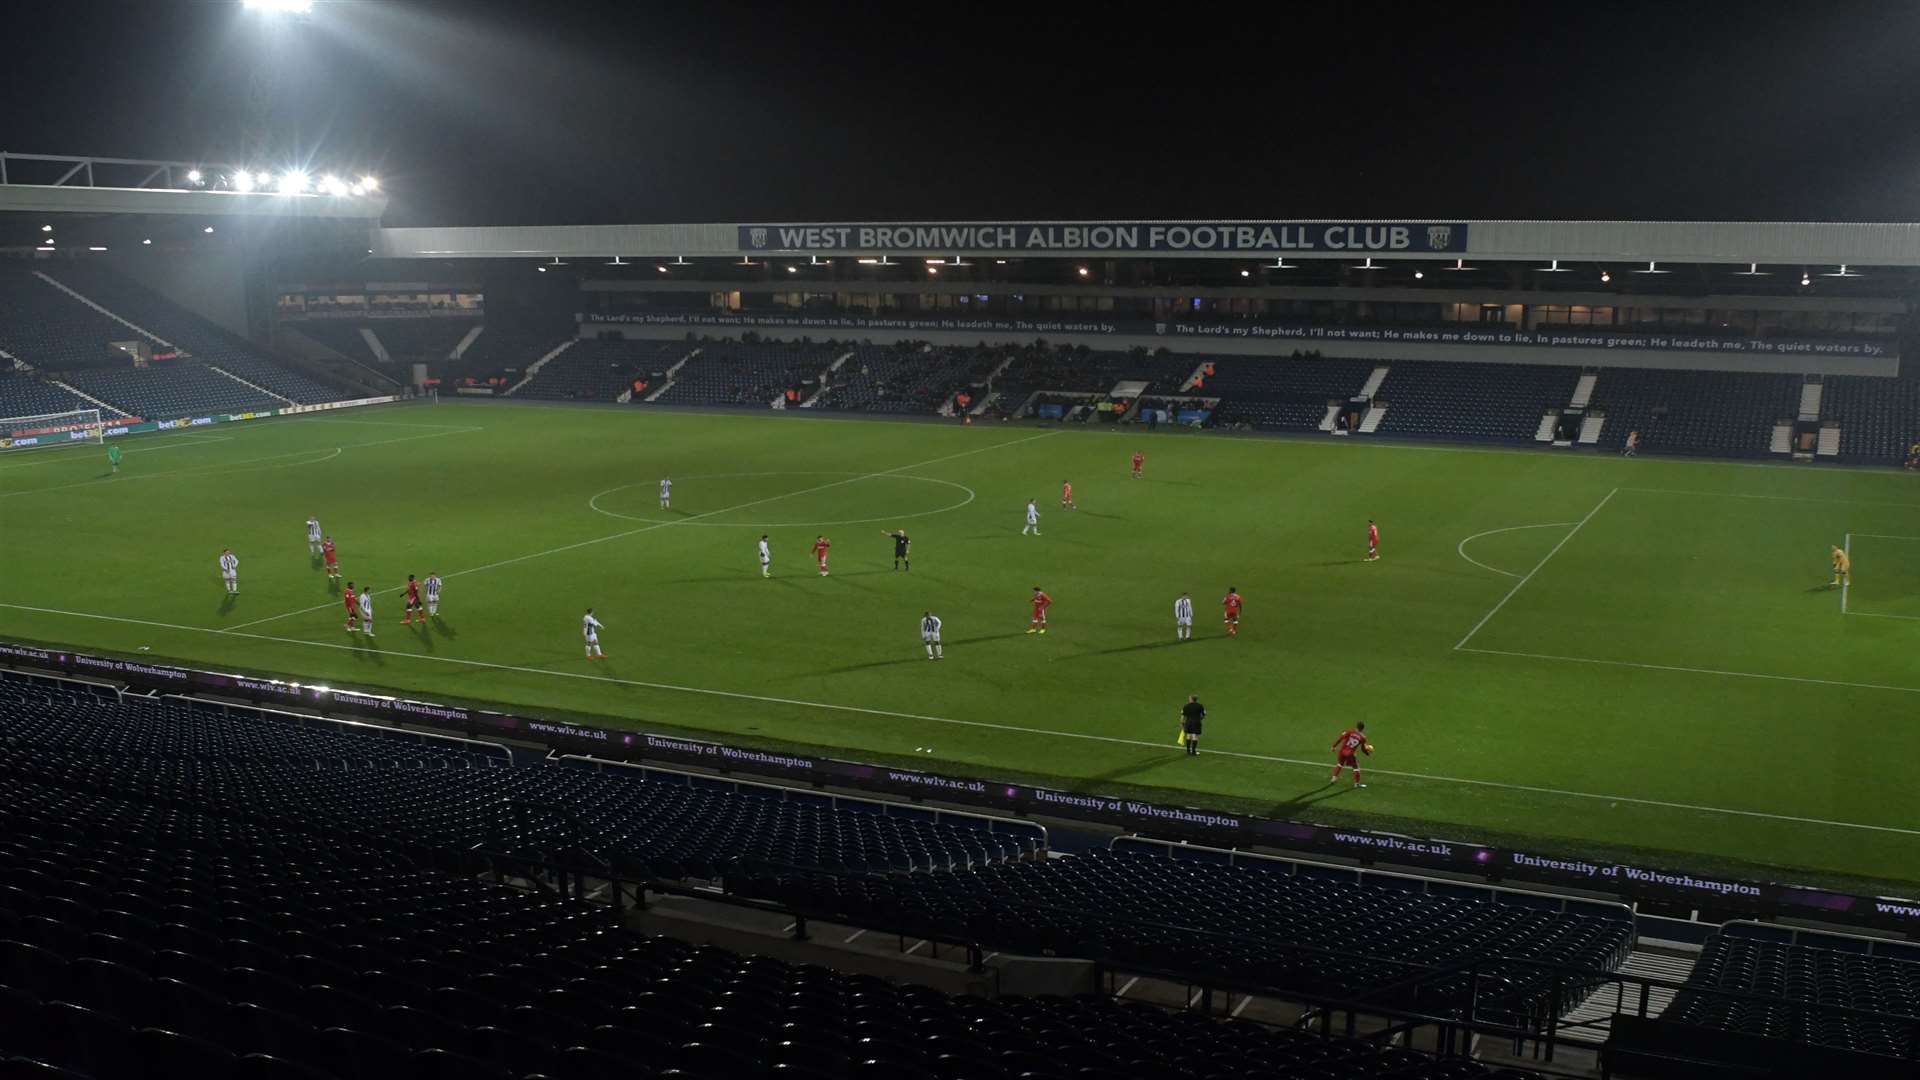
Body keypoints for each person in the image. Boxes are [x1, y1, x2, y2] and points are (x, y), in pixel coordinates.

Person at [1331, 722, 1371, 788]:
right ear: (1362, 729)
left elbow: (1340, 738)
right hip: (1350, 754)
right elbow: (1363, 749)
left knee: (1340, 764)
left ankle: (1333, 778)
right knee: (1356, 768)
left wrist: (1334, 746)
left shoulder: (1349, 732)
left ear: (1356, 727)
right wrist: (1367, 753)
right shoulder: (1363, 738)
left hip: (1342, 752)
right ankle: (1357, 784)